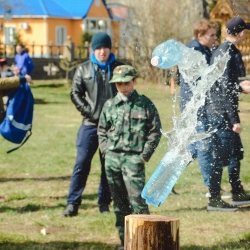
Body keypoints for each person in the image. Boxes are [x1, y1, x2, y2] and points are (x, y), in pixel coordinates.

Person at [98, 65, 162, 250]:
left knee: (138, 203)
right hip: (113, 160)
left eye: (126, 82)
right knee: (119, 204)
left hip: (134, 161)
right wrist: (106, 151)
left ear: (134, 81)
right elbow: (102, 130)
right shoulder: (110, 105)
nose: (123, 87)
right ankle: (125, 242)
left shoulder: (145, 104)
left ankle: (146, 243)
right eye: (119, 83)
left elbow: (154, 131)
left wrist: (144, 156)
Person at [62, 32, 124, 217]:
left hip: (113, 127)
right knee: (81, 164)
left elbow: (129, 91)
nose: (102, 51)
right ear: (93, 49)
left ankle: (104, 203)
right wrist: (89, 111)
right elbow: (75, 93)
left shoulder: (119, 68)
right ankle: (72, 204)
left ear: (110, 48)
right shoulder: (83, 69)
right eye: (98, 48)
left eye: (105, 47)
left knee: (109, 167)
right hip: (89, 124)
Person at [206, 16, 250, 211]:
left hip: (222, 110)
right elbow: (224, 89)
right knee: (220, 158)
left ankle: (237, 192)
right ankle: (214, 199)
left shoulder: (226, 50)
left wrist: (240, 86)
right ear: (240, 32)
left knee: (235, 154)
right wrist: (234, 120)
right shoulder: (226, 52)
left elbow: (227, 84)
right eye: (245, 31)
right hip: (220, 113)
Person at [179, 19, 218, 194]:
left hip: (198, 106)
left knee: (192, 150)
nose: (215, 39)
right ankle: (211, 187)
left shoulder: (203, 49)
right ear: (200, 35)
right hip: (195, 108)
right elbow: (201, 80)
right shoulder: (194, 51)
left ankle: (167, 180)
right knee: (204, 147)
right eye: (212, 35)